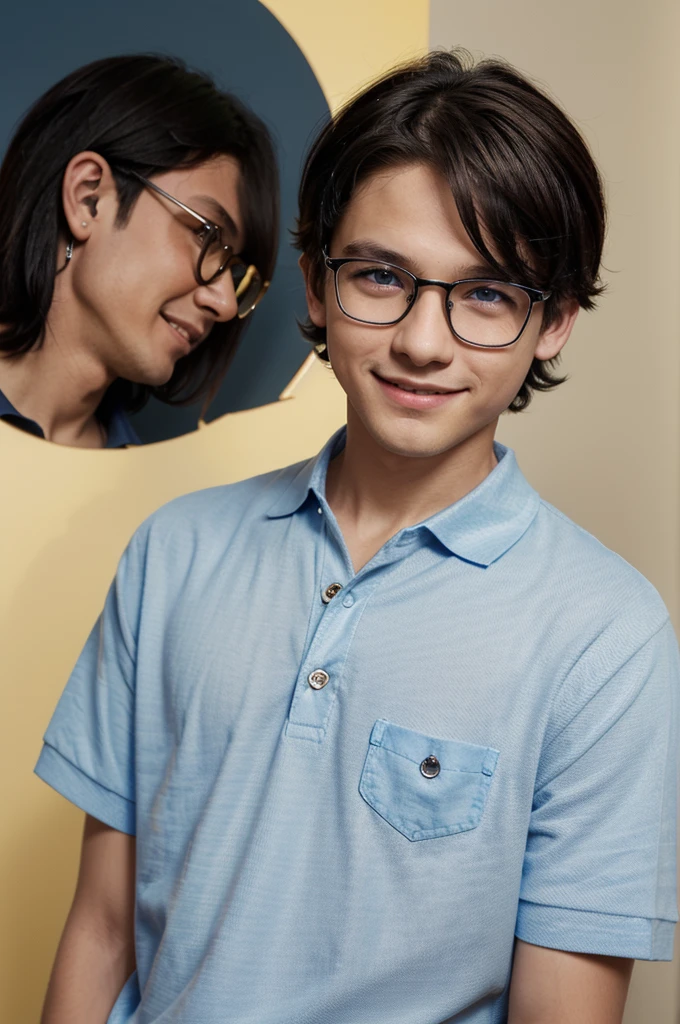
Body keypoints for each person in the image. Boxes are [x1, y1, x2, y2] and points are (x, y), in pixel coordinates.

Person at [35, 50, 678, 1023]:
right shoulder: (174, 552)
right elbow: (100, 929)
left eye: (487, 294)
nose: (422, 340)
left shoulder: (606, 637)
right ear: (314, 285)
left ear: (552, 323)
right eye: (380, 276)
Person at [0, 54, 278, 448]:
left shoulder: (149, 502)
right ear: (89, 199)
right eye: (205, 235)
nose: (226, 305)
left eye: (234, 273)